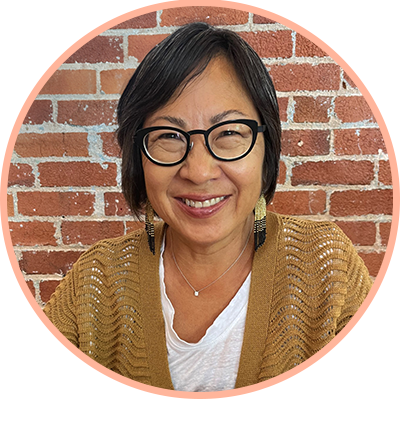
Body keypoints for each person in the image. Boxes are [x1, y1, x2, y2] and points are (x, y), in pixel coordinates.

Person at [44, 22, 372, 392]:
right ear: (139, 156)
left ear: (267, 148)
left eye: (229, 133)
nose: (199, 172)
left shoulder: (327, 268)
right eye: (169, 136)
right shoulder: (97, 279)